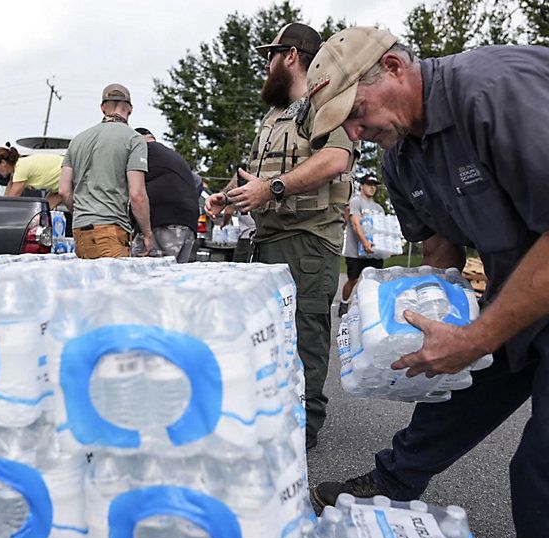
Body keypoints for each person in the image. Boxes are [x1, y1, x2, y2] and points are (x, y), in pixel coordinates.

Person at [304, 27, 549, 538]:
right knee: (469, 379)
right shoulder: (399, 154)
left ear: (395, 68)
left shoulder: (498, 91)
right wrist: (427, 329)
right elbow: (440, 250)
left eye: (355, 112)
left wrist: (475, 338)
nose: (354, 132)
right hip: (537, 259)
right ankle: (395, 483)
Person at [204, 22, 359, 450]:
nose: (267, 65)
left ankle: (304, 427)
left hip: (309, 242)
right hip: (269, 243)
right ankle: (271, 411)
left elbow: (336, 158)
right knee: (270, 334)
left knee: (305, 335)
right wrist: (231, 198)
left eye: (270, 56)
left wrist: (271, 188)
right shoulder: (274, 117)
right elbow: (260, 179)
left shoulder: (324, 103)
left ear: (290, 56)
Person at [57, 84, 152, 259]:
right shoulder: (134, 139)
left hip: (80, 232)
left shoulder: (77, 140)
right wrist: (147, 234)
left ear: (102, 108)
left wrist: (82, 213)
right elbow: (137, 194)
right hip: (111, 229)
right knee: (113, 286)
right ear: (130, 109)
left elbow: (63, 191)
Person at [130, 128, 199, 262]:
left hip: (162, 223)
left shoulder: (142, 151)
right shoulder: (171, 155)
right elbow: (198, 181)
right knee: (172, 277)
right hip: (188, 224)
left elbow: (136, 194)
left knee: (146, 276)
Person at [339, 173, 385, 316]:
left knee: (374, 281)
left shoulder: (379, 208)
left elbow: (381, 230)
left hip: (373, 252)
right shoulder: (356, 202)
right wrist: (364, 242)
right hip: (355, 252)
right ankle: (344, 302)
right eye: (369, 184)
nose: (372, 188)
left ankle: (370, 308)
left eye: (374, 185)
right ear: (361, 186)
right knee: (353, 280)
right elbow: (355, 223)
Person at [0, 145, 64, 208]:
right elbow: (6, 199)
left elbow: (11, 200)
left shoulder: (20, 169)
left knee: (43, 210)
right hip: (61, 185)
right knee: (43, 209)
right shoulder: (17, 170)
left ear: (3, 163)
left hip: (71, 176)